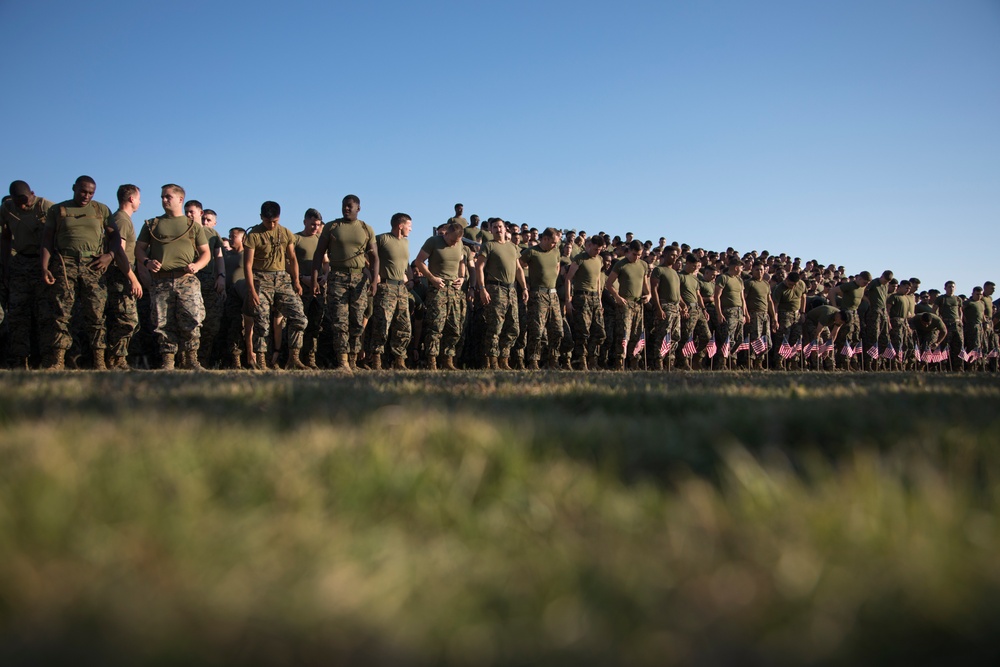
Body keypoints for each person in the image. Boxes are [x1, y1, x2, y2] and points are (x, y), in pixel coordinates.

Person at [40, 175, 137, 370]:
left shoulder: (100, 210)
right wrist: (44, 266)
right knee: (61, 313)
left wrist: (109, 255)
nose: (86, 196)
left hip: (93, 265)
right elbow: (47, 240)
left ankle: (99, 360)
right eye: (83, 191)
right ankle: (57, 360)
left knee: (96, 313)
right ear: (74, 188)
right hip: (64, 264)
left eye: (91, 193)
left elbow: (115, 237)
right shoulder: (57, 210)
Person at [134, 184, 210, 370]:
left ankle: (191, 359)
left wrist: (197, 266)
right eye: (162, 197)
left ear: (180, 199)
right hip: (161, 280)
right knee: (162, 321)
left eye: (168, 197)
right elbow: (139, 249)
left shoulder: (192, 226)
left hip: (186, 279)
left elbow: (206, 253)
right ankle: (168, 361)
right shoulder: (152, 224)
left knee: (192, 319)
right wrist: (147, 262)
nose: (164, 200)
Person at [311, 194, 378, 373]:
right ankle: (342, 361)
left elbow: (374, 257)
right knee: (340, 321)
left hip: (359, 280)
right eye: (344, 206)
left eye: (350, 206)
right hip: (337, 277)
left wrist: (374, 280)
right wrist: (315, 278)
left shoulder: (366, 228)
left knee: (357, 321)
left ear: (358, 208)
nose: (346, 209)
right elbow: (318, 254)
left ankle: (354, 360)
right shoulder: (332, 227)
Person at [243, 201, 309, 371]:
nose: (271, 225)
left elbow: (292, 258)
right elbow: (247, 265)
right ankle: (261, 361)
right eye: (268, 221)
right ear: (261, 218)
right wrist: (252, 290)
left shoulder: (286, 233)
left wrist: (296, 281)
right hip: (260, 279)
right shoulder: (253, 235)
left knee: (299, 318)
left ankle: (294, 358)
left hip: (282, 279)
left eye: (275, 221)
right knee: (262, 322)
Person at [1, 180, 53, 368]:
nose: (23, 206)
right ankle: (19, 360)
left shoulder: (46, 207)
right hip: (20, 263)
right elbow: (5, 237)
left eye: (26, 200)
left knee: (46, 313)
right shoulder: (7, 208)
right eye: (19, 202)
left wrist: (48, 266)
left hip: (43, 263)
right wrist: (6, 266)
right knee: (18, 315)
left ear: (32, 193)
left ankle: (47, 359)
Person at [476, 217, 527, 369]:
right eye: (495, 227)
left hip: (511, 289)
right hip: (495, 289)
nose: (498, 230)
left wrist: (524, 288)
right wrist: (482, 288)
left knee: (513, 327)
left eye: (500, 227)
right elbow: (479, 267)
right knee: (495, 326)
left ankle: (504, 358)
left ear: (506, 229)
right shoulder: (488, 246)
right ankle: (493, 360)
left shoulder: (513, 247)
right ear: (490, 230)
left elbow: (518, 269)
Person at [414, 222, 465, 370]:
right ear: (446, 234)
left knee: (454, 327)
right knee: (435, 326)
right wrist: (432, 278)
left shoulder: (459, 244)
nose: (454, 243)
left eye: (457, 241)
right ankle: (432, 361)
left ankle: (448, 360)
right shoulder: (433, 241)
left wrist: (462, 277)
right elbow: (419, 261)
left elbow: (462, 261)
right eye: (451, 240)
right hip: (438, 289)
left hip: (454, 291)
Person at [105, 184, 144, 369]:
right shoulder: (121, 220)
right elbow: (118, 251)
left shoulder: (122, 219)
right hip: (120, 275)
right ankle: (116, 359)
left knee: (124, 319)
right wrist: (132, 278)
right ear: (131, 199)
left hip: (122, 274)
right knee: (127, 319)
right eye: (138, 198)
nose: (140, 202)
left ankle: (116, 359)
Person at [370, 212, 414, 370]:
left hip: (401, 288)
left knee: (404, 325)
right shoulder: (382, 239)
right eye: (409, 226)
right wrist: (374, 276)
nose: (411, 229)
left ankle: (399, 360)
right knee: (382, 324)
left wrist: (410, 278)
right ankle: (376, 360)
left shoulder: (406, 243)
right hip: (385, 288)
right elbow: (368, 257)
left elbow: (406, 263)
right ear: (400, 226)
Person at [185, 200, 226, 367]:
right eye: (186, 211)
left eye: (191, 212)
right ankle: (185, 360)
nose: (189, 215)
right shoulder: (182, 230)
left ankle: (203, 361)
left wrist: (221, 276)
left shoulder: (212, 234)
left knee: (211, 323)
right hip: (187, 278)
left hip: (208, 279)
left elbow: (219, 257)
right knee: (188, 320)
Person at [520, 227, 564, 370]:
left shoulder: (556, 252)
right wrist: (525, 285)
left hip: (553, 295)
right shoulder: (532, 252)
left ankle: (553, 359)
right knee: (537, 330)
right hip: (538, 295)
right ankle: (533, 360)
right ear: (544, 239)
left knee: (557, 330)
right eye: (552, 242)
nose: (555, 245)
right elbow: (518, 265)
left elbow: (557, 266)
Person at [564, 234, 608, 370]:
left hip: (595, 298)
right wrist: (568, 300)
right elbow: (569, 279)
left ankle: (593, 359)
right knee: (583, 331)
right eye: (595, 249)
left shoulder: (600, 259)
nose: (597, 252)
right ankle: (582, 360)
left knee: (599, 331)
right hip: (581, 298)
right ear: (589, 246)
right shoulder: (579, 259)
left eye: (600, 249)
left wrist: (599, 299)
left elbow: (598, 279)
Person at [605, 240, 650, 370]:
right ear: (629, 251)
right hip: (625, 304)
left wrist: (649, 295)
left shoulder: (643, 265)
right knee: (624, 333)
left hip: (638, 304)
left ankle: (634, 361)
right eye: (635, 254)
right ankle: (620, 362)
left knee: (637, 333)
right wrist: (617, 297)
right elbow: (609, 284)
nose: (637, 257)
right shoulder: (620, 264)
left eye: (639, 255)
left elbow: (645, 284)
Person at [293, 208, 326, 369]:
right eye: (312, 224)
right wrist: (300, 278)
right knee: (299, 322)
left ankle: (310, 358)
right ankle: (294, 357)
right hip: (301, 286)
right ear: (305, 221)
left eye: (318, 225)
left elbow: (326, 262)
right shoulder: (296, 239)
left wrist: (325, 276)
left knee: (315, 324)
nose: (315, 227)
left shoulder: (321, 239)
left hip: (318, 287)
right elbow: (288, 262)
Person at [649, 245, 683, 370]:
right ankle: (658, 362)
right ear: (666, 255)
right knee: (662, 335)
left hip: (675, 307)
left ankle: (670, 362)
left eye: (676, 256)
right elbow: (654, 289)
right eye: (672, 255)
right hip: (665, 306)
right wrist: (658, 308)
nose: (674, 258)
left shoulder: (674, 272)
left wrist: (682, 305)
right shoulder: (659, 270)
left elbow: (677, 293)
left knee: (675, 336)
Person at [829, 271, 870, 369]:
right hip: (846, 313)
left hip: (855, 314)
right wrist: (835, 308)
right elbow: (832, 291)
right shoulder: (849, 285)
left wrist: (867, 301)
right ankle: (843, 362)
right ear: (859, 279)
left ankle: (852, 361)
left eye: (867, 283)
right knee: (845, 338)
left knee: (855, 338)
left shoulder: (863, 287)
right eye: (865, 282)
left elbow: (860, 295)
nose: (866, 285)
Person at [714, 257, 749, 369]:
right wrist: (719, 313)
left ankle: (733, 361)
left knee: (739, 339)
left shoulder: (739, 280)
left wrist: (744, 314)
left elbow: (742, 298)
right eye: (741, 267)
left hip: (739, 312)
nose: (742, 270)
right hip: (728, 312)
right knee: (727, 338)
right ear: (736, 267)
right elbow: (716, 297)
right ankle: (722, 363)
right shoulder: (723, 278)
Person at [743, 261, 777, 369]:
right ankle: (750, 362)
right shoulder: (749, 283)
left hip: (765, 315)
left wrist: (774, 317)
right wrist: (746, 314)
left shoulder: (766, 284)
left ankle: (759, 362)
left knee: (767, 341)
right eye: (757, 269)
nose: (759, 272)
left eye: (761, 269)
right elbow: (743, 298)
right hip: (754, 314)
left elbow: (770, 301)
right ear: (752, 270)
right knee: (755, 339)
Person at [771, 271, 806, 370]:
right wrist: (775, 320)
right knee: (783, 339)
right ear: (786, 280)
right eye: (790, 284)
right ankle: (779, 363)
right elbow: (775, 306)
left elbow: (803, 297)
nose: (792, 286)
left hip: (797, 314)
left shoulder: (801, 284)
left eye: (794, 285)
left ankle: (794, 363)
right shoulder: (779, 289)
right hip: (784, 314)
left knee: (796, 339)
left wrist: (802, 312)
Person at [934, 281, 964, 365]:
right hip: (946, 323)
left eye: (953, 287)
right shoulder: (941, 298)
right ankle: (944, 365)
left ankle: (957, 366)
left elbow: (960, 311)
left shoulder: (958, 299)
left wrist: (960, 320)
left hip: (957, 324)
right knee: (945, 345)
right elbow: (934, 310)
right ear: (945, 288)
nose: (951, 288)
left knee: (958, 345)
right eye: (949, 287)